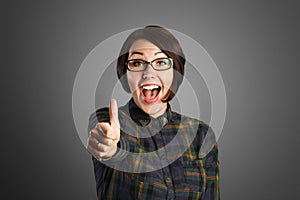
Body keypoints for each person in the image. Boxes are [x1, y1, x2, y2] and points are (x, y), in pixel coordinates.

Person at [87, 25, 220, 200]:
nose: (148, 73)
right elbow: (114, 148)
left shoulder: (201, 135)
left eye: (161, 62)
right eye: (137, 63)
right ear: (125, 72)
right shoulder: (109, 121)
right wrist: (110, 150)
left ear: (175, 73)